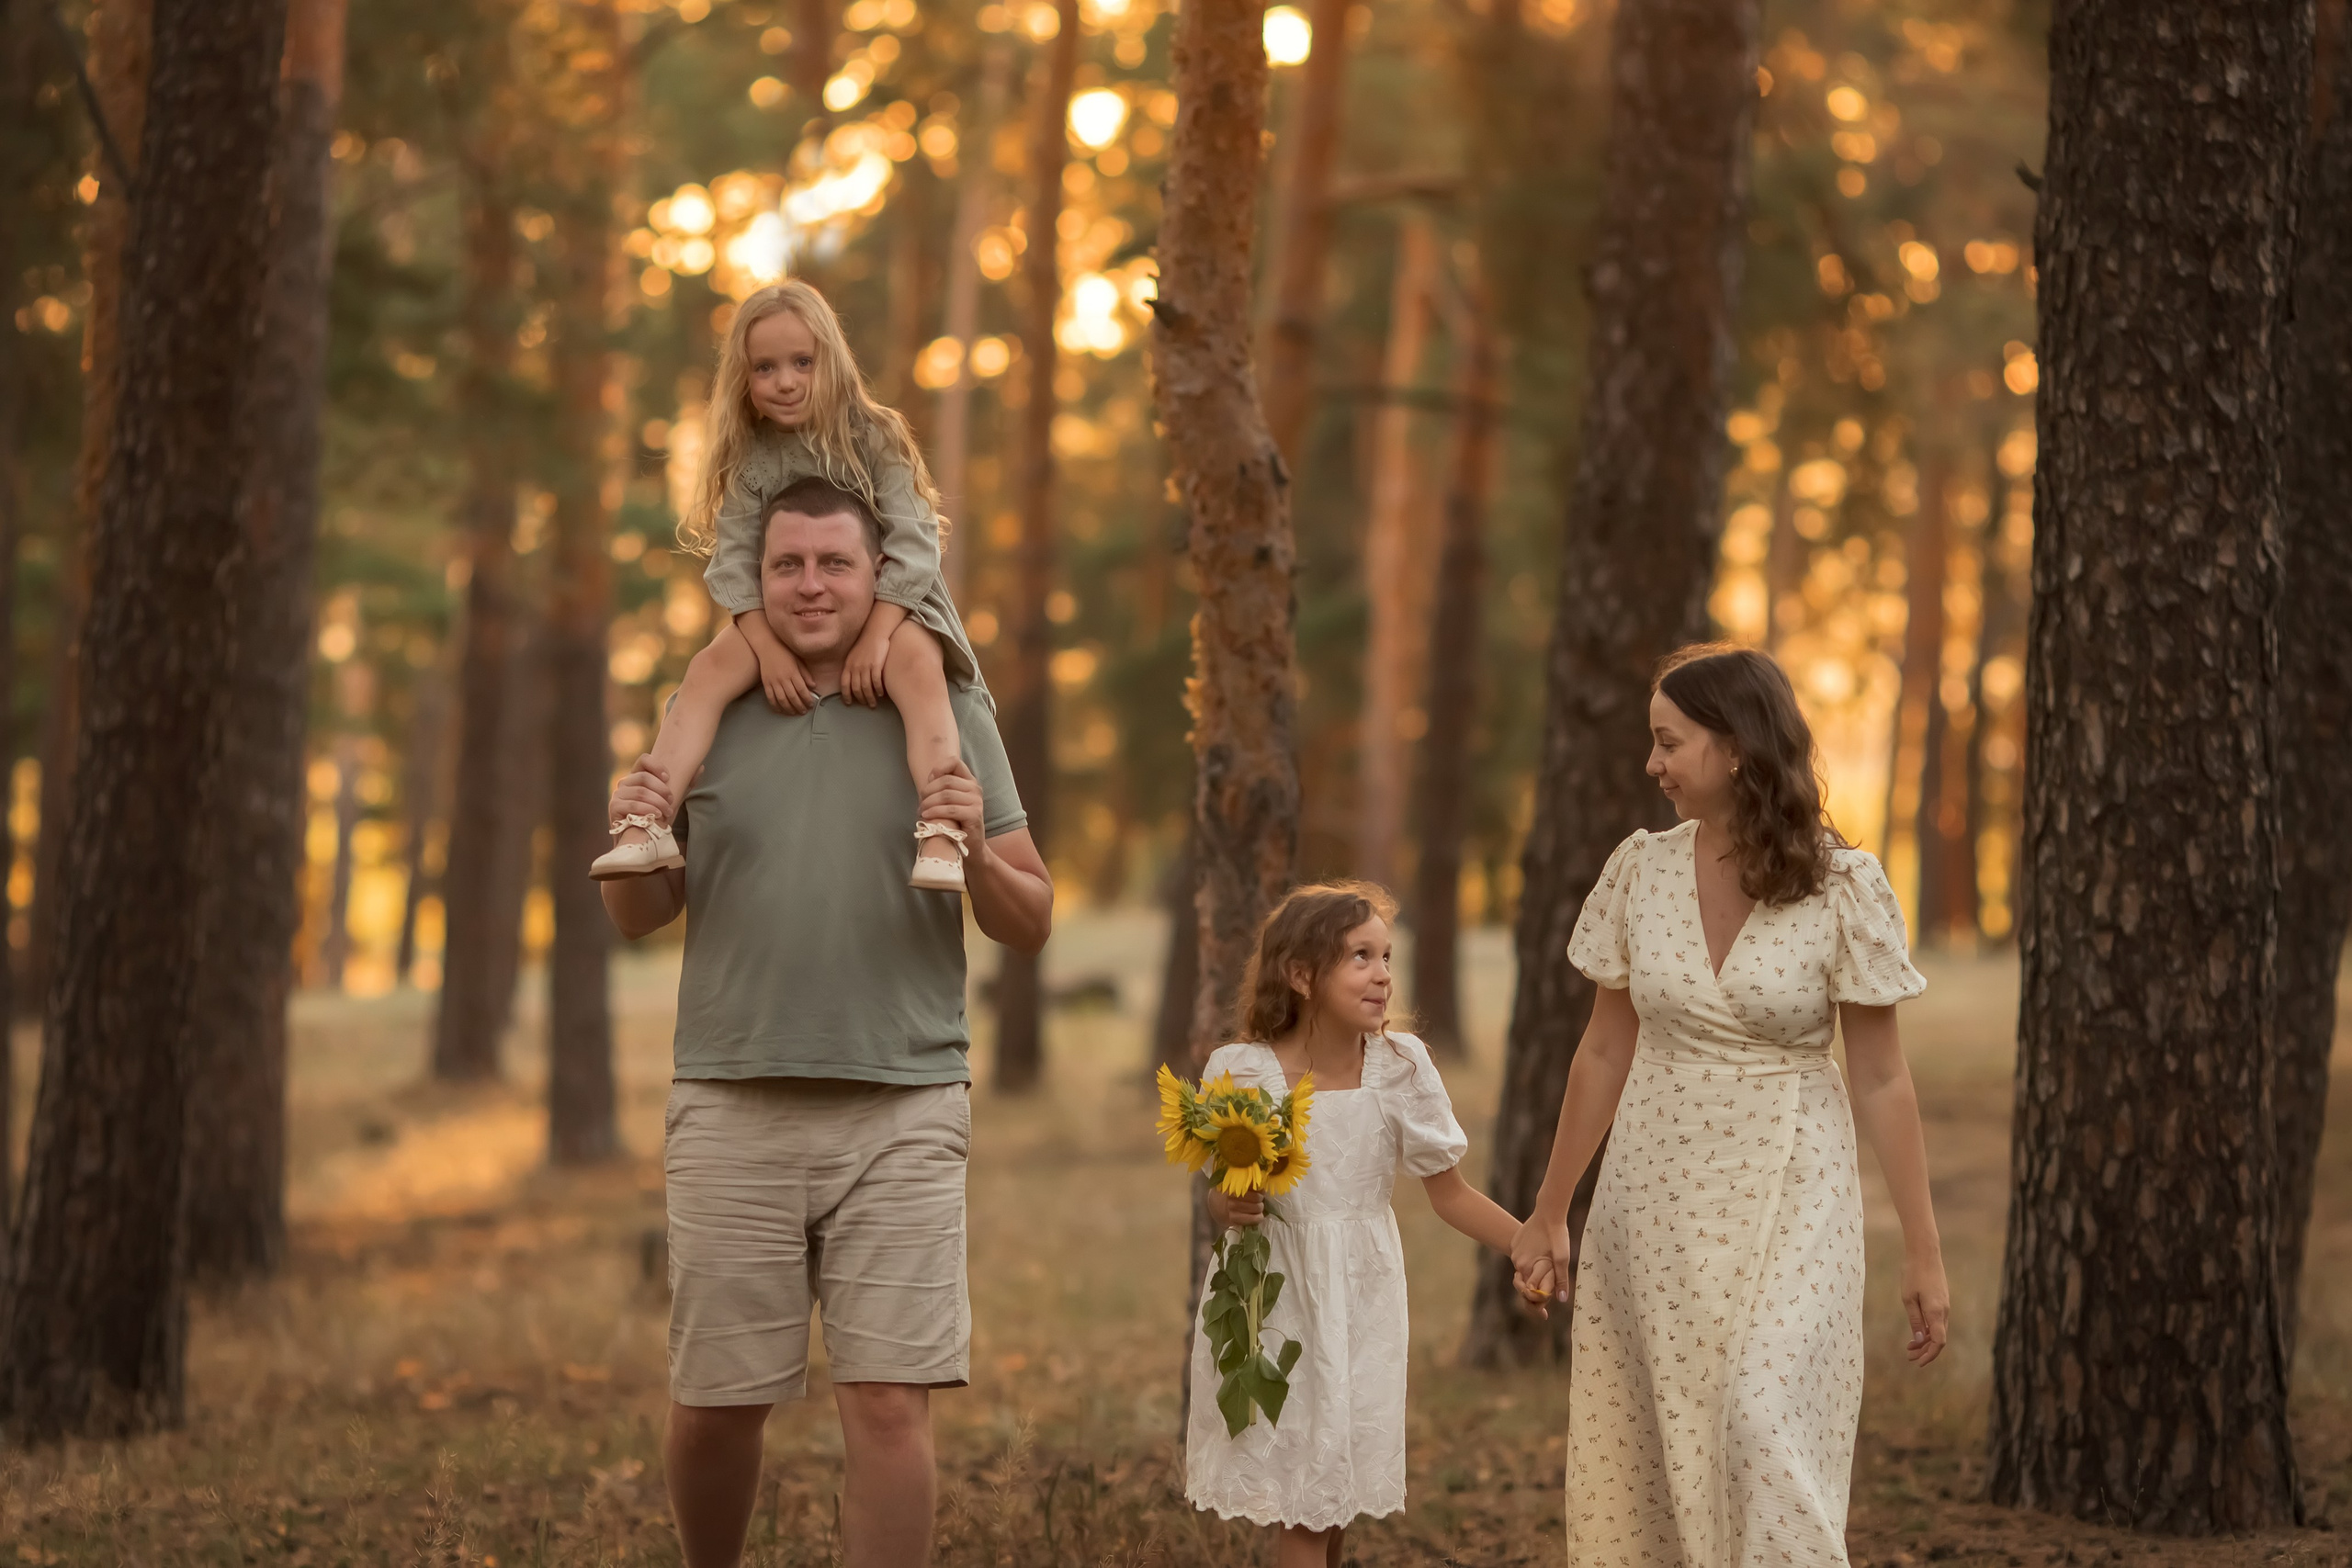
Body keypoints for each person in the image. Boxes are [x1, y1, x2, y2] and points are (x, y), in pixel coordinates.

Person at [601, 476, 1053, 1568]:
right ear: (759, 581)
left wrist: (977, 850)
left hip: (903, 1106)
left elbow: (1030, 919)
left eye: (834, 564)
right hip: (730, 1101)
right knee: (716, 1404)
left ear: (877, 574)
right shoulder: (707, 706)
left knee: (891, 1408)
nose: (811, 585)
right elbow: (639, 913)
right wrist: (633, 821)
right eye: (789, 565)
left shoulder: (941, 706)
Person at [1510, 642, 1949, 1567]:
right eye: (1651, 742)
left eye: (1669, 741)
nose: (1651, 763)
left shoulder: (1843, 886)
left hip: (1793, 1183)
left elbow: (1880, 1077)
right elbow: (1601, 1047)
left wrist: (1923, 1250)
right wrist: (1551, 1210)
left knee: (1757, 1413)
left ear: (1738, 746)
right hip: (1656, 1189)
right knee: (1662, 1434)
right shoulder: (1639, 869)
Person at [1183, 883, 1550, 1568]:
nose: (1383, 973)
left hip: (1363, 1296)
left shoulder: (1399, 1068)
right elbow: (1219, 1195)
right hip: (1275, 1300)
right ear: (1300, 974)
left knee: (1336, 1491)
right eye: (1360, 956)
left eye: (1387, 956)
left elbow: (1451, 1193)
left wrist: (1525, 1241)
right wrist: (1225, 1207)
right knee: (1305, 1502)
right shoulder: (1242, 1072)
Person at [592, 279, 984, 892]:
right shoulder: (750, 459)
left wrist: (879, 636)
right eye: (765, 367)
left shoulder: (873, 435)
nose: (786, 380)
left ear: (831, 359)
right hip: (774, 614)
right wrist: (768, 651)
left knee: (918, 670)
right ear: (743, 379)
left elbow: (914, 542)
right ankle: (647, 822)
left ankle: (941, 832)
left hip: (893, 601)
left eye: (803, 362)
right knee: (706, 670)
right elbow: (734, 564)